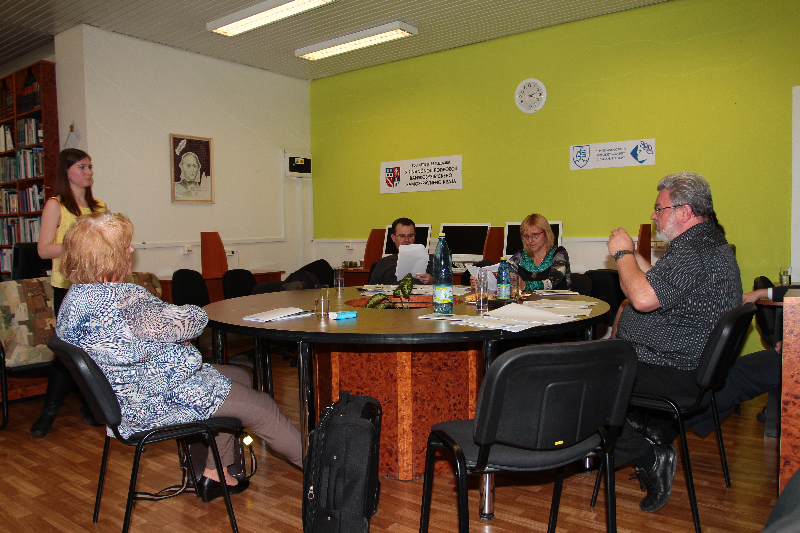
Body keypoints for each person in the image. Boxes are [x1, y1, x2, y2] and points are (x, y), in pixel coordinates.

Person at [55, 211, 301, 501]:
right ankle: (326, 473)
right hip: (154, 400)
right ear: (106, 258)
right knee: (262, 407)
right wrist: (182, 325)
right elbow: (191, 322)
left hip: (125, 398)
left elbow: (136, 337)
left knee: (240, 375)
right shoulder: (125, 301)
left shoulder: (74, 299)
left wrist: (169, 332)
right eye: (124, 245)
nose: (131, 249)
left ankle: (216, 473)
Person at [606, 171, 742, 513]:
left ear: (684, 211)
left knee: (579, 380)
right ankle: (644, 432)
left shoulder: (695, 251)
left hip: (673, 370)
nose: (654, 215)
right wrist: (634, 255)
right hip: (679, 362)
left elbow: (641, 298)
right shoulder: (706, 244)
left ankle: (648, 455)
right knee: (593, 366)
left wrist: (622, 254)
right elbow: (657, 283)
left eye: (659, 208)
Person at [31, 148, 107, 437]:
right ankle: (49, 411)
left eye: (90, 166)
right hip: (68, 287)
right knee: (67, 352)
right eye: (81, 167)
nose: (88, 172)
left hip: (96, 287)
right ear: (67, 172)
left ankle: (90, 407)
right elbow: (43, 250)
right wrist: (79, 244)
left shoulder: (99, 206)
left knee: (94, 350)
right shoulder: (56, 205)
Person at [507, 213, 571, 291]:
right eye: (526, 236)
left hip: (558, 298)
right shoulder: (521, 256)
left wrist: (525, 285)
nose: (530, 240)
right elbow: (506, 270)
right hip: (528, 299)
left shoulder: (560, 255)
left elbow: (551, 283)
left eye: (535, 235)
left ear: (546, 234)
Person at [369, 217, 433, 285]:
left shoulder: (431, 260)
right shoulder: (384, 263)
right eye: (402, 236)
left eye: (410, 235)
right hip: (393, 291)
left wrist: (433, 281)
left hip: (423, 291)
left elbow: (441, 285)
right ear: (393, 238)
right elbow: (371, 289)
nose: (406, 240)